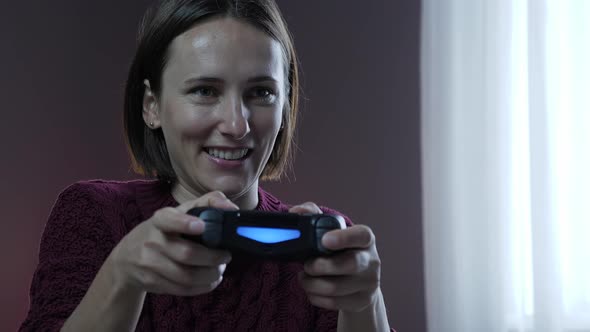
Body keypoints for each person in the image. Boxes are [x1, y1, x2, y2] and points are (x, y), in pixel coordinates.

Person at [20, 0, 392, 331]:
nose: (236, 125)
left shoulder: (329, 248)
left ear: (285, 105)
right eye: (204, 91)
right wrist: (123, 276)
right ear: (151, 105)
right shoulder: (94, 214)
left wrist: (365, 303)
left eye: (261, 92)